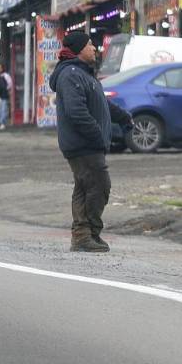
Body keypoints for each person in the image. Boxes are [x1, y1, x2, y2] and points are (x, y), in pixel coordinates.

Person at [49, 32, 132, 253]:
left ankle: (85, 235)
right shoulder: (71, 75)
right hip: (82, 143)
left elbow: (101, 104)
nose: (94, 48)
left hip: (86, 143)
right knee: (99, 186)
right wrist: (97, 134)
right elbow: (77, 112)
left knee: (85, 188)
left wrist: (123, 117)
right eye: (89, 45)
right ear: (78, 50)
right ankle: (85, 234)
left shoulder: (83, 74)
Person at [0, 62, 12, 130]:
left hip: (4, 95)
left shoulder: (5, 75)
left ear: (2, 69)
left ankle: (2, 123)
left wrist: (6, 89)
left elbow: (10, 84)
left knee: (3, 110)